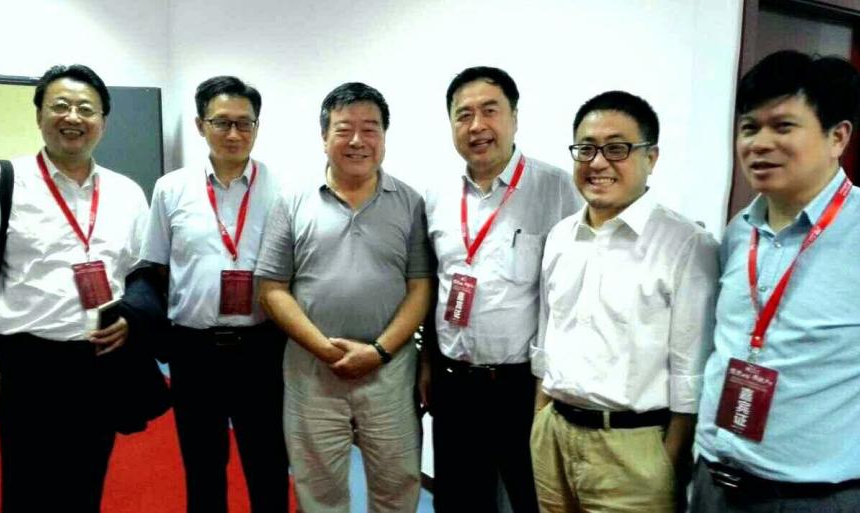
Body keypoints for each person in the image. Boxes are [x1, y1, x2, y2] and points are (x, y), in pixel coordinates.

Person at [0, 64, 148, 513]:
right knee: (28, 487)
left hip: (98, 360)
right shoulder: (3, 180)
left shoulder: (127, 193)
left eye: (86, 109)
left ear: (103, 122)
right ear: (39, 115)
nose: (73, 117)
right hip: (27, 362)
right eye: (60, 106)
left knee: (86, 484)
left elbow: (142, 273)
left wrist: (132, 319)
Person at [530, 91, 718, 512]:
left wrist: (666, 462)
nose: (597, 162)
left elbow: (691, 373)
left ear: (651, 157)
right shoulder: (560, 236)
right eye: (586, 149)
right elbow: (546, 337)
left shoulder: (687, 245)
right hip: (553, 435)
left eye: (616, 149)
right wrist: (540, 418)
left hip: (633, 451)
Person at [691, 50, 860, 512]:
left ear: (837, 137)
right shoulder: (739, 231)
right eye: (749, 128)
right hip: (713, 484)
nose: (759, 143)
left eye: (783, 126)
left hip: (812, 497)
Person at [256, 82, 432, 513]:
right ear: (324, 137)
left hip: (389, 372)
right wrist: (324, 349)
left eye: (370, 129)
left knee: (397, 487)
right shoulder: (292, 203)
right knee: (319, 490)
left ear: (384, 137)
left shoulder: (410, 203)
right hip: (312, 371)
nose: (357, 140)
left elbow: (421, 286)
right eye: (343, 129)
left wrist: (378, 351)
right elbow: (272, 289)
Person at [422, 66, 580, 513]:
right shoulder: (436, 196)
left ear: (514, 117)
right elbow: (435, 286)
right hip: (454, 383)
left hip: (521, 388)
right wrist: (427, 362)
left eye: (489, 111)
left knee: (531, 499)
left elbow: (569, 295)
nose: (477, 126)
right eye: (463, 115)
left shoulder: (557, 190)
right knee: (458, 502)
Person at [141, 76, 288, 513]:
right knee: (202, 465)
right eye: (222, 122)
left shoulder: (282, 189)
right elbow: (157, 266)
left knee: (267, 461)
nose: (234, 133)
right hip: (194, 350)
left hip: (261, 347)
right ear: (200, 125)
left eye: (245, 123)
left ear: (257, 127)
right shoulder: (170, 189)